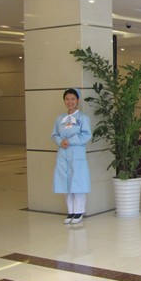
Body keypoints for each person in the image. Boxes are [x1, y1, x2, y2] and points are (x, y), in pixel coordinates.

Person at [51, 88, 92, 224]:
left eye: (73, 99)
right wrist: (60, 141)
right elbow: (54, 134)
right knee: (65, 182)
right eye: (67, 99)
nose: (70, 102)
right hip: (63, 154)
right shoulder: (60, 119)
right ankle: (70, 211)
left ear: (77, 100)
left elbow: (86, 135)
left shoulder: (83, 118)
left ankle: (79, 211)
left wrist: (71, 141)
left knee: (78, 182)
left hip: (77, 154)